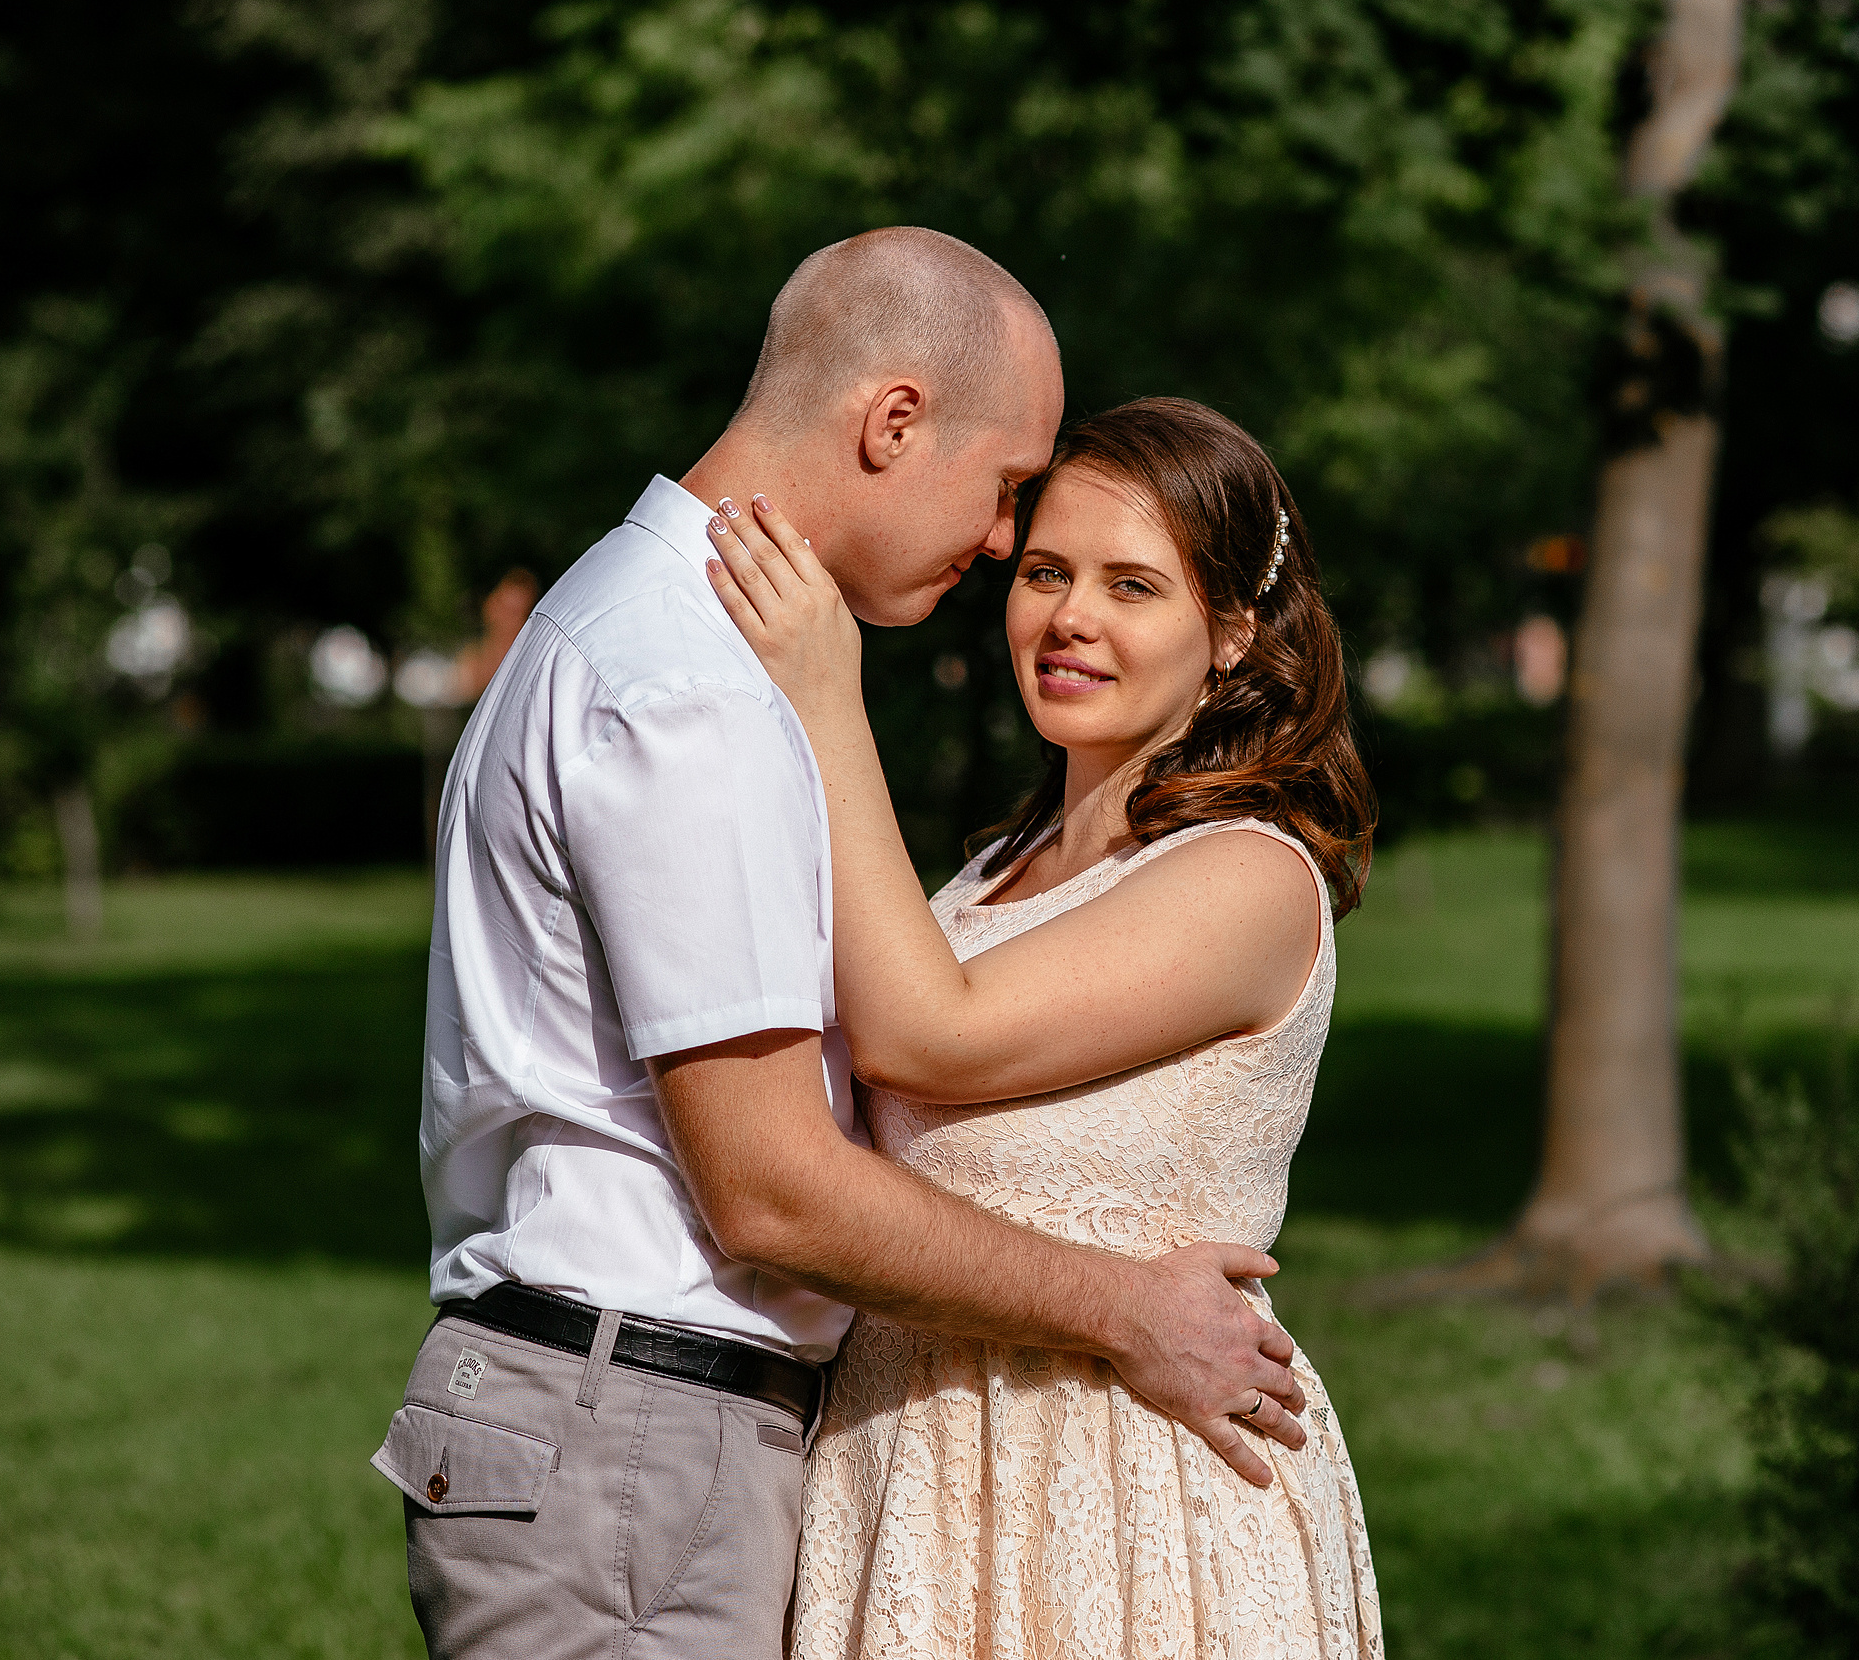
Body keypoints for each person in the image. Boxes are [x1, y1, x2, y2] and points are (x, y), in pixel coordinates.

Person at [371, 230, 1309, 1660]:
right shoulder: (687, 685)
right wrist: (1129, 1307)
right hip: (633, 1431)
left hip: (688, 1436)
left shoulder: (647, 637)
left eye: (1131, 582)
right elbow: (775, 1188)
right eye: (1015, 506)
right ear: (891, 422)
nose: (1010, 556)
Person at [704, 395, 1384, 1658]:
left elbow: (928, 1035)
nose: (1070, 615)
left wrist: (821, 694)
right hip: (906, 1456)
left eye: (1134, 586)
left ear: (1231, 633)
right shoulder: (989, 873)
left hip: (1119, 1482)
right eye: (1046, 572)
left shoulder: (1248, 876)